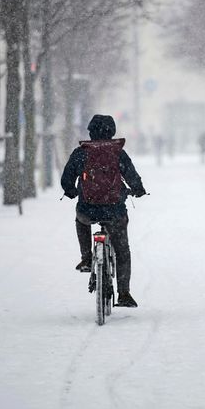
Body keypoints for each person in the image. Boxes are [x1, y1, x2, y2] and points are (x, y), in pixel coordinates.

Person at [61, 115, 146, 308]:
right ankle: (124, 293)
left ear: (90, 132)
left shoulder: (81, 153)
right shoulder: (118, 153)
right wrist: (138, 190)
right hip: (114, 211)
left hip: (87, 210)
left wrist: (72, 191)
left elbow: (67, 178)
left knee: (80, 218)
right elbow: (132, 176)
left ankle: (86, 258)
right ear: (112, 132)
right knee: (123, 251)